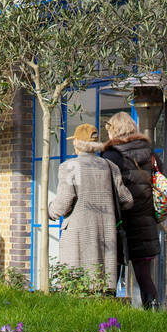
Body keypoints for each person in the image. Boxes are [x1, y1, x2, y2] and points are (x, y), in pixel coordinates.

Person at [48, 122, 132, 288]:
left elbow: (64, 203)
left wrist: (49, 210)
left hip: (78, 238)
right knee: (103, 290)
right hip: (106, 238)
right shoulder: (110, 167)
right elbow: (127, 200)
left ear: (77, 144)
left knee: (77, 288)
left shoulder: (70, 167)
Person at [101, 110, 161, 309]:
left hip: (121, 222)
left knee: (113, 271)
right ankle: (153, 312)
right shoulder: (149, 151)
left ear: (114, 130)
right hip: (146, 220)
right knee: (144, 274)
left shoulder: (111, 154)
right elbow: (159, 180)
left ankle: (110, 318)